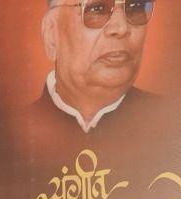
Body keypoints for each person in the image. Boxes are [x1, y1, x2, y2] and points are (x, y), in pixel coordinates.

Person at [34, 0, 158, 135]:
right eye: (97, 9)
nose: (121, 28)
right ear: (51, 34)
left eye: (135, 7)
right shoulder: (18, 133)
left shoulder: (171, 125)